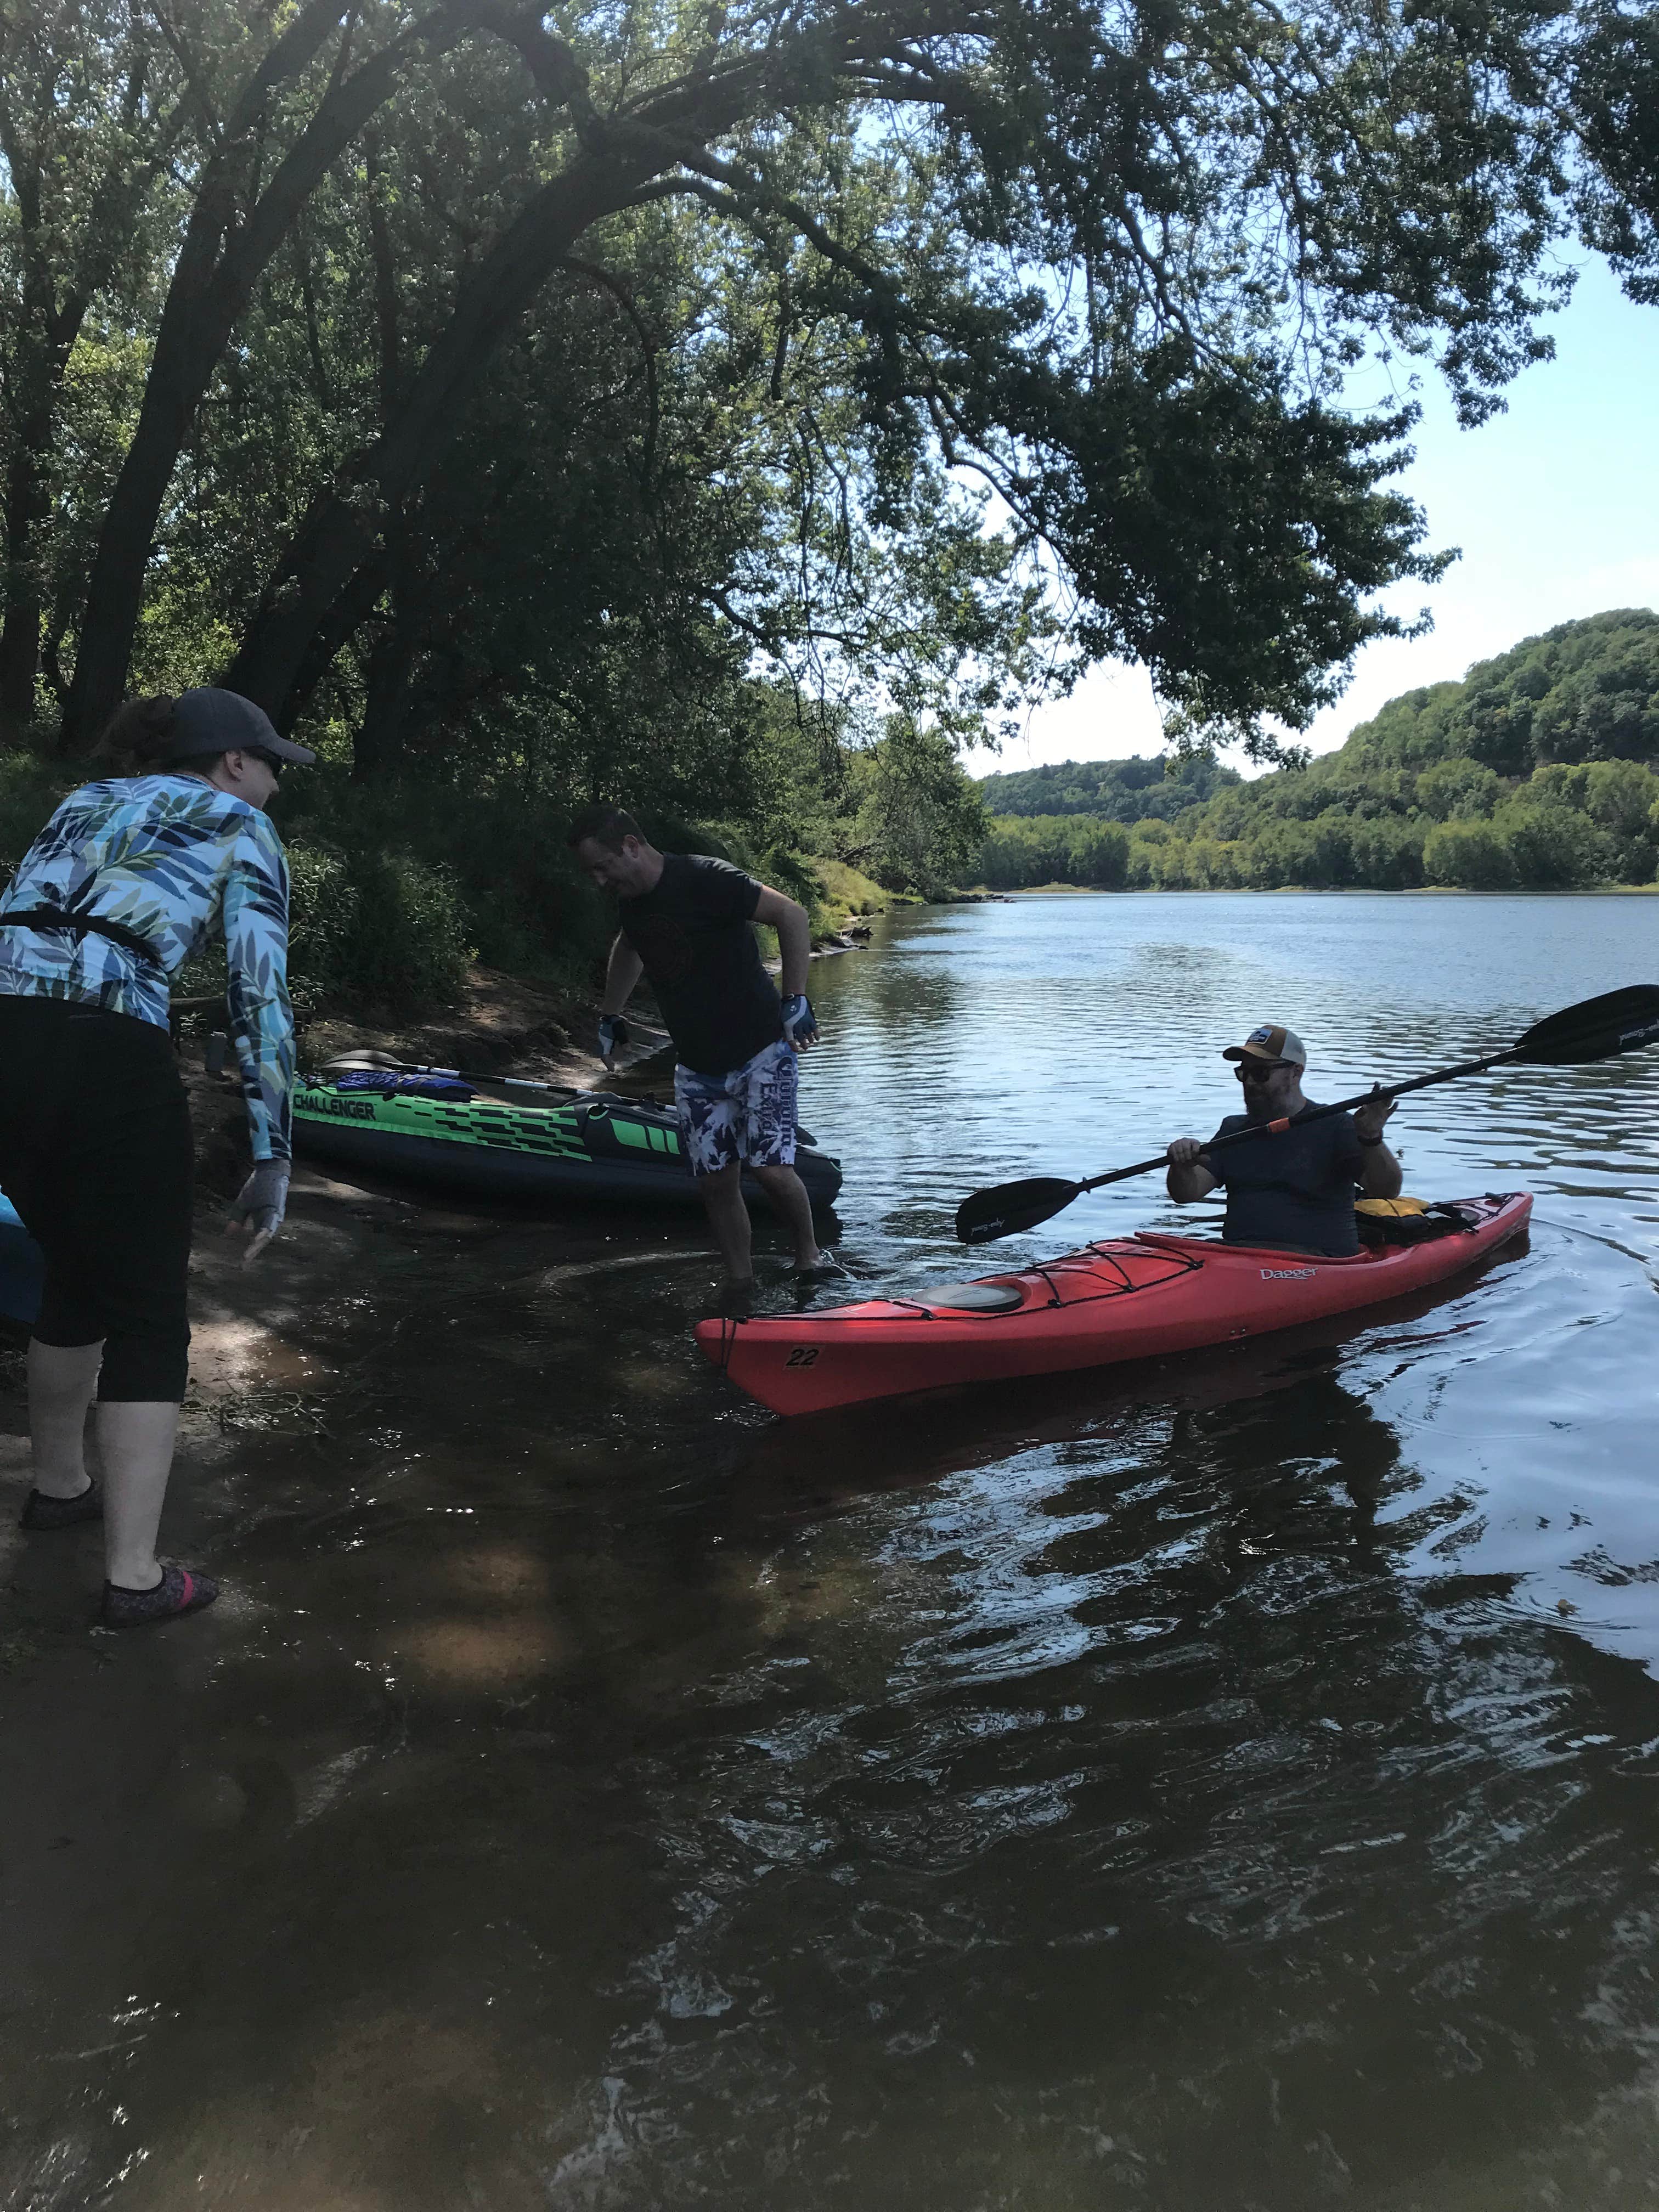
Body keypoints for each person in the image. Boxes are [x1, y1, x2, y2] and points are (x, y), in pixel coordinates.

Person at [0, 686, 314, 1626]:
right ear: (231, 764)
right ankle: (135, 1577)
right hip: (106, 1050)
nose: (272, 786)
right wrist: (274, 1152)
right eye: (270, 767)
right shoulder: (240, 825)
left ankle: (60, 1487)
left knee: (73, 1273)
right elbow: (259, 998)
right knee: (148, 1310)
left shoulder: (86, 799)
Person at [567, 804, 837, 1302]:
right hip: (697, 1066)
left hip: (762, 1051)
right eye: (593, 874)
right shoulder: (632, 901)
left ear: (630, 846)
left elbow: (791, 914)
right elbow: (630, 949)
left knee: (773, 1170)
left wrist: (795, 998)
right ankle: (740, 1281)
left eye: (603, 867)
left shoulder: (707, 878)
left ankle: (809, 1257)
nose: (600, 882)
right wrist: (611, 1015)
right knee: (715, 1181)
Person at [1164, 1022, 1401, 1256]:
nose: (1249, 1082)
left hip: (1320, 1263)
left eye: (1260, 1073)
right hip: (1240, 1258)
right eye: (1243, 1072)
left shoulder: (1336, 1125)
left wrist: (1371, 1138)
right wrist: (1182, 1164)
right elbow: (1187, 1194)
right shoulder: (1233, 1128)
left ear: (1295, 1073)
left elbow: (1387, 1189)